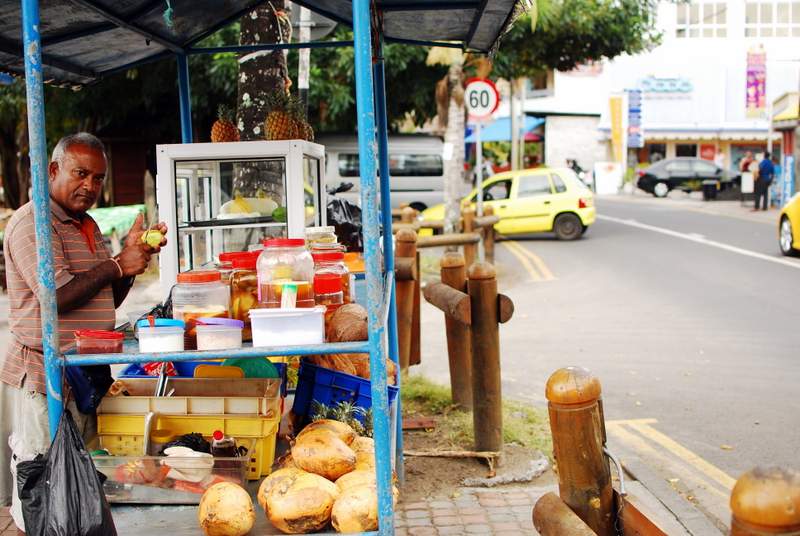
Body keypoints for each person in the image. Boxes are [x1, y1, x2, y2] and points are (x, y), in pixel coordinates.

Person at [0, 133, 167, 534]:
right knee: (41, 475)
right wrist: (114, 265)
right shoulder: (32, 224)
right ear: (53, 170)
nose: (90, 186)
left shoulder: (86, 223)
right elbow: (55, 296)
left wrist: (129, 267)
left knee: (78, 475)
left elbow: (102, 294)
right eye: (80, 174)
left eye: (98, 178)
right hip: (43, 375)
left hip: (83, 371)